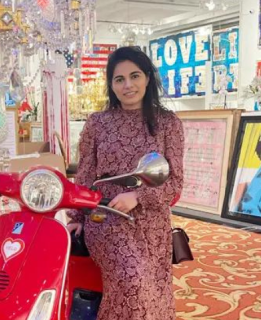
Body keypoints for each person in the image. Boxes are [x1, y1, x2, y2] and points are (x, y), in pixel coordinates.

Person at [67, 46, 184, 320]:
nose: (128, 85)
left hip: (151, 224)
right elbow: (85, 175)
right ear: (111, 84)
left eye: (135, 76)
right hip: (106, 218)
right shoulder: (97, 123)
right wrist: (76, 216)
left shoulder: (168, 123)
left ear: (147, 78)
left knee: (153, 291)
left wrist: (138, 197)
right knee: (133, 280)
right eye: (119, 79)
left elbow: (175, 182)